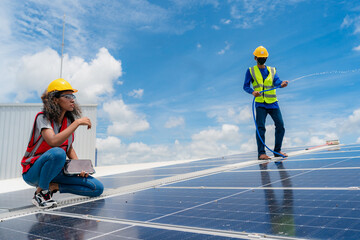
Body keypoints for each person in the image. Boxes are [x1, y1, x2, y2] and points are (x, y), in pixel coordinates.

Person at [21, 78, 104, 208]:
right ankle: (41, 194)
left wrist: (79, 168)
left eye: (73, 96)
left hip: (55, 171)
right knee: (58, 153)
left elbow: (69, 148)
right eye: (67, 96)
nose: (73, 99)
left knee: (97, 188)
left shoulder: (68, 122)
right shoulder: (42, 118)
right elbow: (53, 141)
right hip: (33, 171)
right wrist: (77, 123)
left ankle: (54, 187)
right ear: (55, 99)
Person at [243, 46, 289, 160]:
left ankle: (277, 150)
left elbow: (277, 82)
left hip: (273, 102)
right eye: (260, 57)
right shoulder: (250, 71)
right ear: (255, 58)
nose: (262, 59)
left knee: (280, 126)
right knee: (261, 128)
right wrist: (252, 92)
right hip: (260, 104)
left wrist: (282, 84)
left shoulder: (272, 70)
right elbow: (245, 86)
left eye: (264, 57)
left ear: (266, 58)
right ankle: (261, 153)